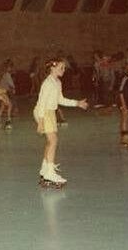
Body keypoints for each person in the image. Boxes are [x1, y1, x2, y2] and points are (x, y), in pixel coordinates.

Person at [34, 58, 88, 188]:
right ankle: (50, 173)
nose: (63, 70)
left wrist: (77, 103)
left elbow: (60, 99)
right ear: (52, 68)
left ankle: (45, 169)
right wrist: (40, 122)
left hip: (51, 113)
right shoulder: (47, 83)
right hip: (43, 113)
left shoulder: (57, 82)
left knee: (50, 142)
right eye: (61, 68)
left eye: (64, 68)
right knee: (53, 141)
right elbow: (41, 103)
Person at [0, 62, 15, 129]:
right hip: (1, 92)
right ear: (8, 68)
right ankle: (8, 121)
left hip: (1, 91)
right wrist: (13, 88)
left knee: (3, 106)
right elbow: (11, 84)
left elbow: (6, 84)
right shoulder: (7, 75)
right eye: (10, 67)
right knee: (9, 105)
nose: (11, 69)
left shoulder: (4, 74)